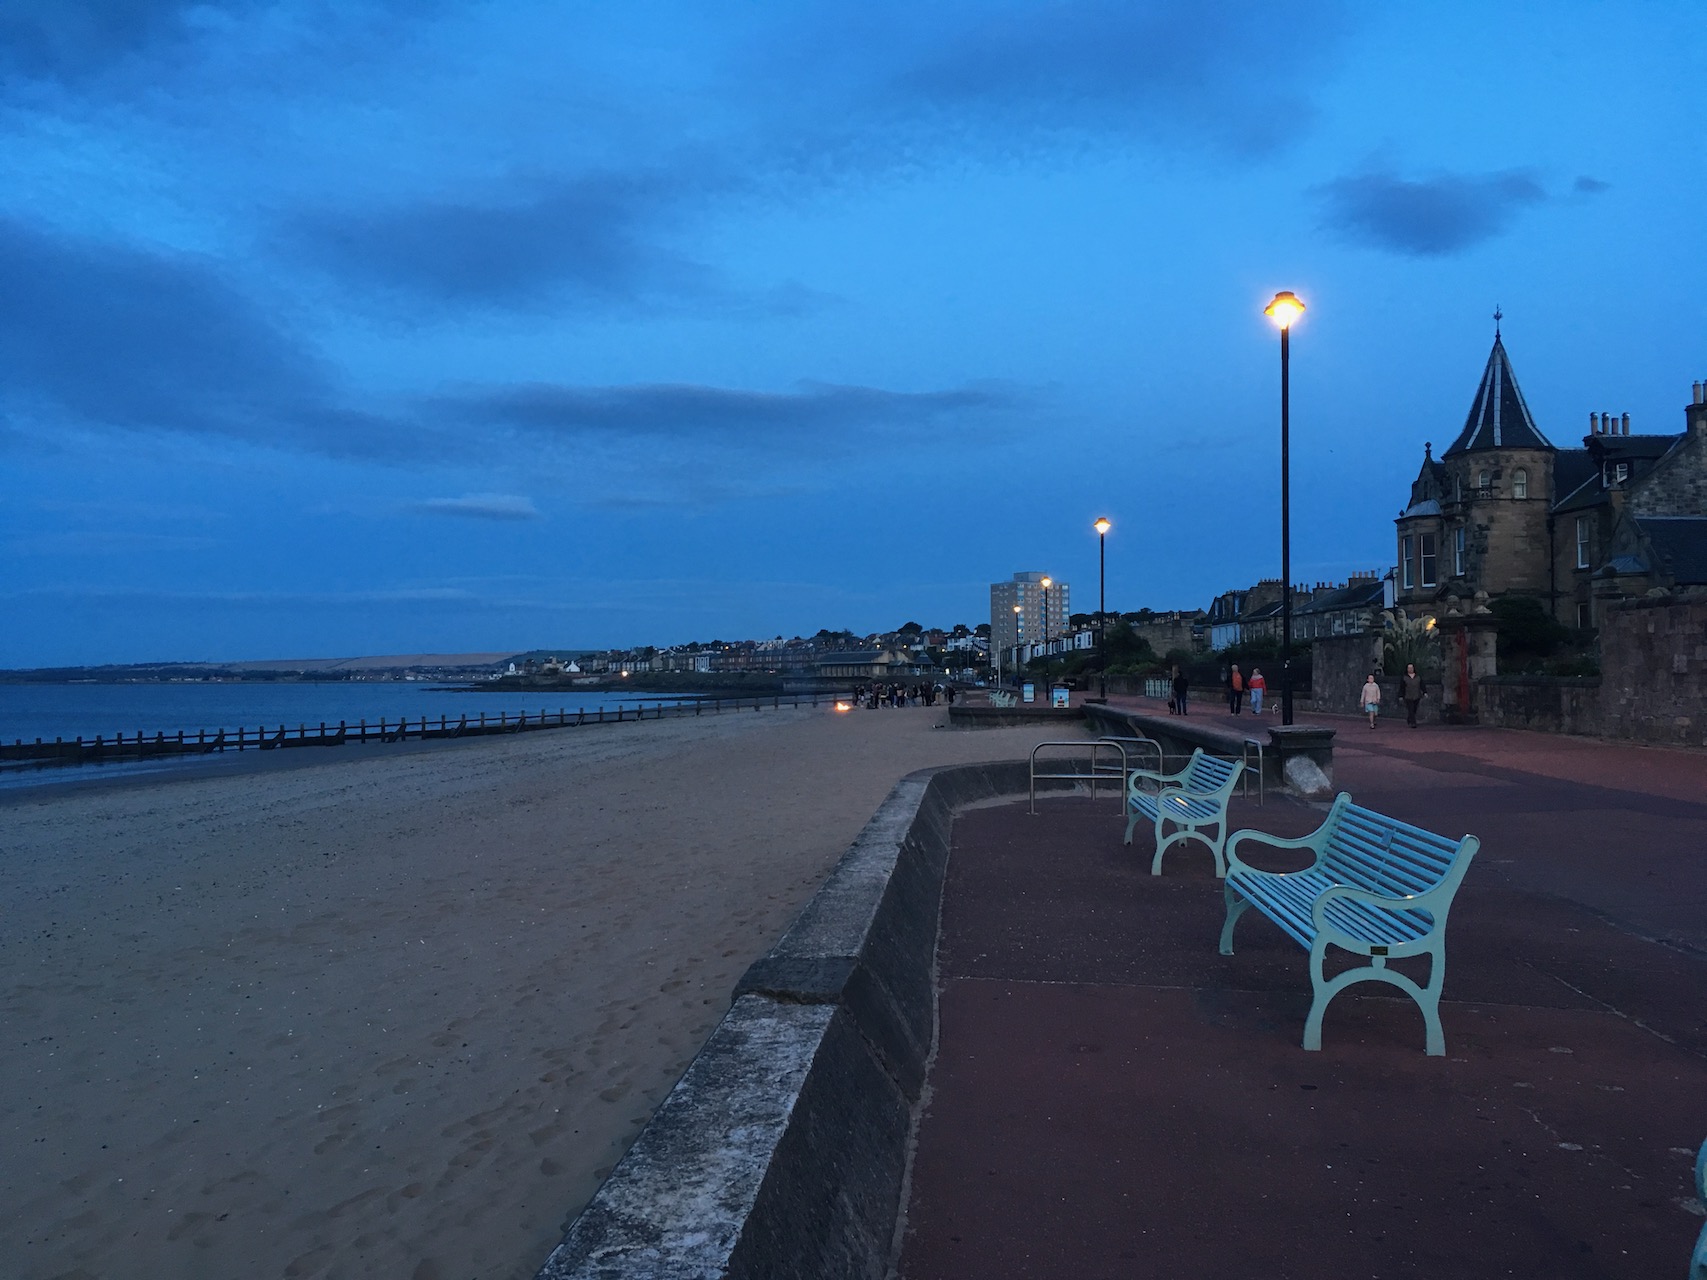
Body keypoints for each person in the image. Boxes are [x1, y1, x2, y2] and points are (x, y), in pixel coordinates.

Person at [1401, 663, 1425, 727]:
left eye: (1411, 668)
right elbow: (1402, 687)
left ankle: (1409, 718)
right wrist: (1400, 695)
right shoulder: (1404, 677)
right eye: (1409, 668)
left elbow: (1422, 685)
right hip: (1408, 696)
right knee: (1410, 709)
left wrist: (1424, 692)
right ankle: (1413, 723)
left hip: (1417, 695)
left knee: (1414, 709)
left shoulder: (1418, 677)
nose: (1410, 669)